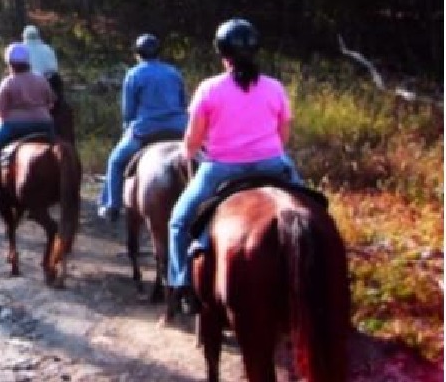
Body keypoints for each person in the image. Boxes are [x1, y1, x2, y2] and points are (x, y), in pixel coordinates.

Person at [166, 18, 303, 312]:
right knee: (311, 208)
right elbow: (284, 134)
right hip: (273, 164)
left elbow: (193, 138)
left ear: (221, 53)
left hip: (222, 168)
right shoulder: (275, 87)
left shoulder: (209, 88)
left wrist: (188, 152)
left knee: (178, 221)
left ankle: (181, 283)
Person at [96, 33, 189, 223]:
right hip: (179, 128)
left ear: (137, 54)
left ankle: (112, 204)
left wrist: (127, 127)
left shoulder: (134, 74)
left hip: (146, 130)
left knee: (116, 161)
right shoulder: (173, 72)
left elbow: (128, 111)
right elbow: (183, 102)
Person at [0, 42, 57, 206]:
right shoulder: (40, 79)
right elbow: (51, 101)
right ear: (28, 61)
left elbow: (0, 113)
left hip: (15, 125)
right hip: (44, 124)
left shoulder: (8, 83)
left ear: (10, 63)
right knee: (59, 146)